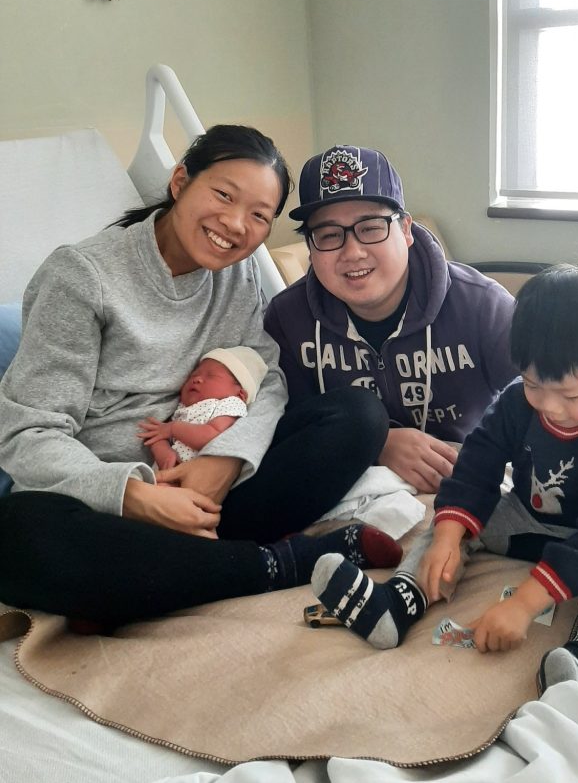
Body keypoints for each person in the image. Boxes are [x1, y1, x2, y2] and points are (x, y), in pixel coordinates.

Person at [0, 125, 402, 630]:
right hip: (105, 507)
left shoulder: (237, 277)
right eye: (223, 195)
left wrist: (227, 461)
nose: (235, 224)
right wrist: (136, 495)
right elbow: (28, 433)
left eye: (258, 216)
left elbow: (266, 380)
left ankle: (170, 574)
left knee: (359, 415)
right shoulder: (82, 277)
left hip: (210, 496)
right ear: (179, 181)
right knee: (18, 537)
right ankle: (281, 564)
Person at [311, 264, 578, 692]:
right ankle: (399, 600)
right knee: (451, 519)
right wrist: (448, 536)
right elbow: (478, 462)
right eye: (534, 384)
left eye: (570, 394)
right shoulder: (518, 400)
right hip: (534, 515)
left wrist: (524, 604)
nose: (549, 407)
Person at [264, 145, 518, 494]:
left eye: (370, 228)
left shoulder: (483, 306)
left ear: (406, 230)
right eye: (328, 235)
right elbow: (282, 428)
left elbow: (558, 397)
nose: (352, 252)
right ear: (310, 247)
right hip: (353, 485)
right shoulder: (286, 321)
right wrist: (378, 442)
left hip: (463, 479)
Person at [139, 347, 268, 470]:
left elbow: (211, 435)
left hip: (198, 474)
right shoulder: (183, 408)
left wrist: (173, 428)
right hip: (165, 473)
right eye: (193, 375)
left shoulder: (230, 404)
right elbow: (157, 434)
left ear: (240, 394)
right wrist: (164, 452)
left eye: (211, 376)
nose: (197, 379)